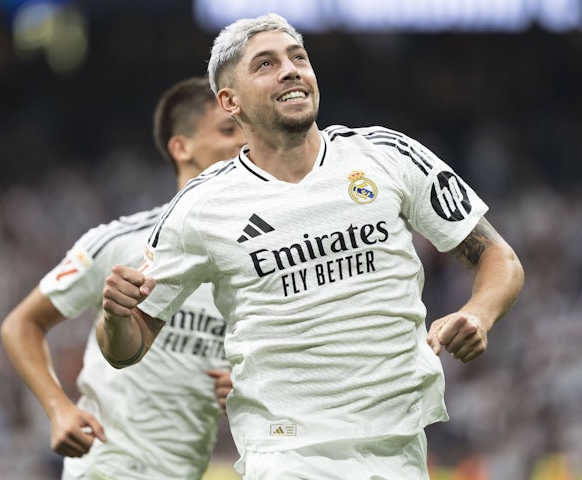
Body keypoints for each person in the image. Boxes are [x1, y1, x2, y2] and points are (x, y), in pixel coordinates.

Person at [97, 13, 525, 480]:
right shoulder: (201, 206)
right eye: (265, 64)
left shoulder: (386, 157)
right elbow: (128, 345)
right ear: (230, 102)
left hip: (399, 448)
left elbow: (498, 256)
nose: (290, 70)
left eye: (297, 57)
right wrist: (116, 317)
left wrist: (479, 314)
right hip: (288, 453)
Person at [0, 76, 245, 480]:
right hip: (111, 465)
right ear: (181, 147)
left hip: (185, 470)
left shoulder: (250, 258)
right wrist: (58, 407)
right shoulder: (122, 242)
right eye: (227, 130)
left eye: (246, 130)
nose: (244, 143)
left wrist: (245, 386)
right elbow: (20, 324)